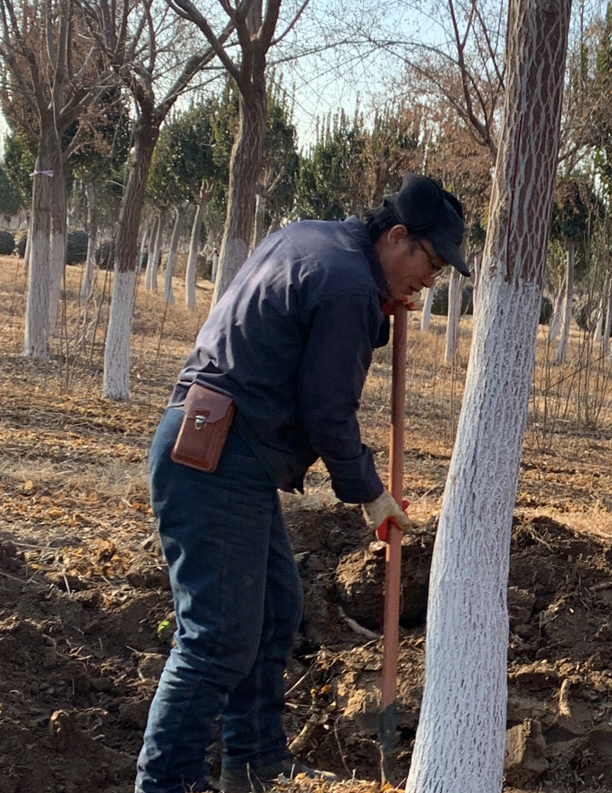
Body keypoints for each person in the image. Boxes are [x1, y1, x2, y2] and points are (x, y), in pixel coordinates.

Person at [135, 172, 470, 793]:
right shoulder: (348, 285)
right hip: (220, 459)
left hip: (221, 446)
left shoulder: (313, 241)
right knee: (216, 640)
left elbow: (303, 331)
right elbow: (327, 412)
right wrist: (371, 493)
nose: (432, 280)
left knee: (274, 614)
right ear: (398, 236)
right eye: (431, 262)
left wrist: (377, 311)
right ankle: (167, 782)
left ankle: (255, 763)